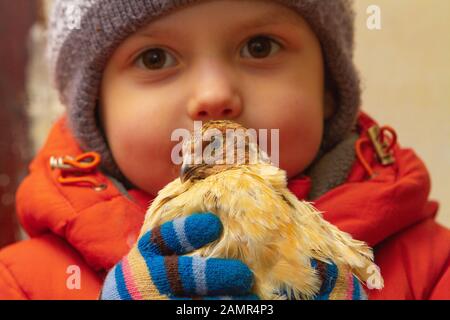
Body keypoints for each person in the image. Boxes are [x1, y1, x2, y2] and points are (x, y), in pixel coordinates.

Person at [0, 0, 448, 300]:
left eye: (259, 47)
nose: (214, 95)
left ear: (328, 90)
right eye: (155, 58)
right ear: (94, 112)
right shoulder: (21, 283)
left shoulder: (431, 270)